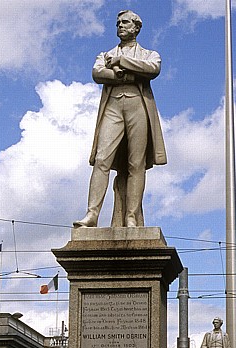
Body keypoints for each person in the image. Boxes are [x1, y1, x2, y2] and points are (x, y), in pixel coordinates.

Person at [74, 10, 167, 228]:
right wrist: (124, 74)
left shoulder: (149, 54)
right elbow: (97, 74)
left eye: (125, 22)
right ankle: (92, 214)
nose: (120, 26)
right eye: (118, 23)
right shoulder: (104, 54)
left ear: (136, 27)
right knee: (101, 158)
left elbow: (153, 69)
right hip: (113, 106)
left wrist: (120, 62)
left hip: (138, 106)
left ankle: (131, 217)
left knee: (137, 164)